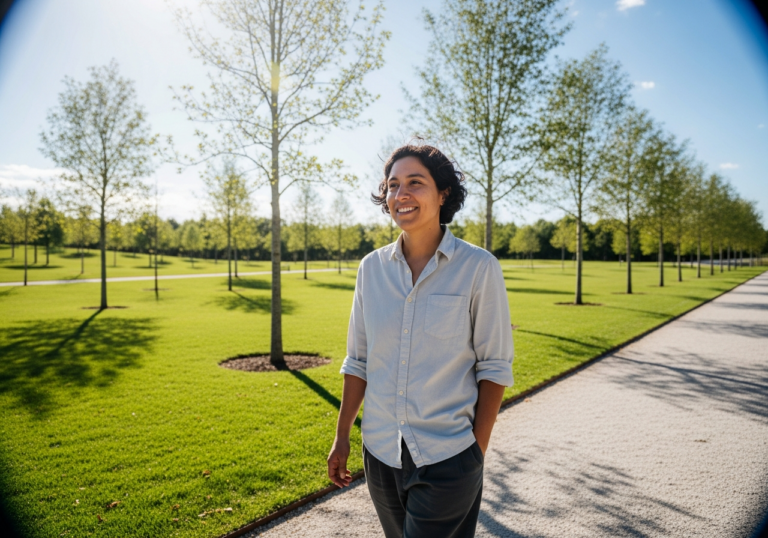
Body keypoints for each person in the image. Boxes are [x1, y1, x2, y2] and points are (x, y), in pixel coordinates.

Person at [327, 143, 514, 538]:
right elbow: (358, 360)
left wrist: (474, 453)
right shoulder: (371, 269)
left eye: (415, 182)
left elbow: (494, 366)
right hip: (380, 454)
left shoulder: (479, 268)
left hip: (449, 457)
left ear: (443, 193)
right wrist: (342, 436)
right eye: (393, 185)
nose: (401, 194)